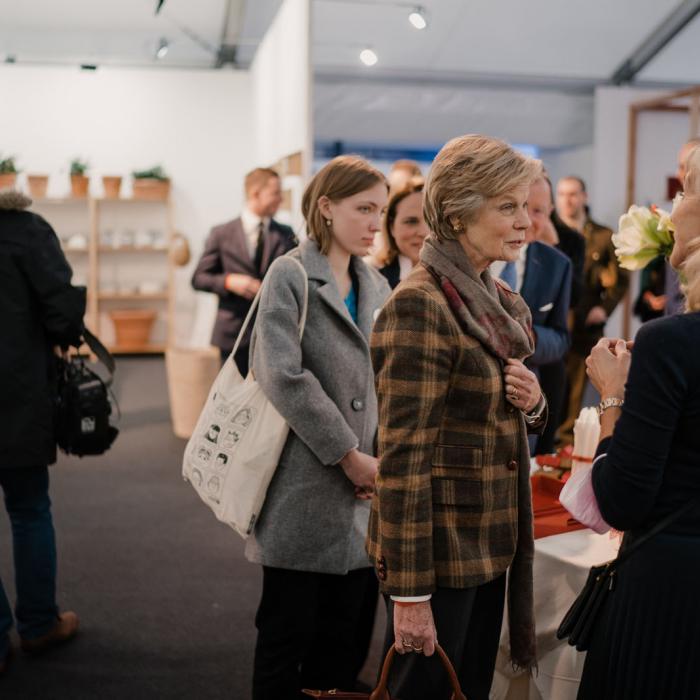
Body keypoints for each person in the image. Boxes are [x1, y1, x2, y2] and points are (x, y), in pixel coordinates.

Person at [368, 135, 547, 700]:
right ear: (456, 213)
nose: (526, 223)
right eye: (508, 207)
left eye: (526, 206)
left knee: (465, 690)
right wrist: (411, 595)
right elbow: (401, 461)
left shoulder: (491, 298)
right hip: (438, 555)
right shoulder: (422, 303)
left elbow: (509, 421)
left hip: (491, 542)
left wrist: (535, 402)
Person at [245, 156, 391, 699]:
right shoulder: (290, 273)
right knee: (285, 639)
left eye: (381, 209)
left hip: (363, 494)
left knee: (343, 645)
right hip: (304, 485)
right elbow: (281, 375)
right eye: (364, 209)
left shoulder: (376, 283)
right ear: (327, 208)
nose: (375, 222)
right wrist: (348, 452)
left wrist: (374, 460)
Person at [564, 148, 700, 700]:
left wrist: (614, 395)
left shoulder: (671, 343)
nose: (671, 210)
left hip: (671, 597)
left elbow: (622, 500)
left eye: (685, 192)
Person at [0, 188, 85, 674]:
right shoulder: (25, 230)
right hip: (16, 396)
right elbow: (62, 315)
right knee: (29, 508)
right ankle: (37, 626)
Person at [492, 176, 571, 454]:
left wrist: (528, 337)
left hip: (526, 401)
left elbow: (561, 338)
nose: (529, 221)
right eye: (524, 207)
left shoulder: (557, 265)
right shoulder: (480, 257)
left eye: (540, 211)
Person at [191, 167, 297, 374]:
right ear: (255, 194)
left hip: (274, 334)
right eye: (275, 193)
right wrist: (229, 281)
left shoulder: (286, 234)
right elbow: (198, 278)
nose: (280, 200)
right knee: (231, 400)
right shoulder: (221, 233)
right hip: (233, 335)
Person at [556, 176, 628, 444]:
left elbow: (621, 279)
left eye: (573, 194)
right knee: (552, 389)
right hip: (556, 320)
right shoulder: (551, 232)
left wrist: (604, 308)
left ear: (584, 197)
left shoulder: (602, 235)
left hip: (586, 324)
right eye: (562, 194)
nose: (567, 200)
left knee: (575, 393)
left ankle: (566, 447)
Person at [372, 177, 429, 289]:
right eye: (411, 221)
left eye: (431, 222)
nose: (424, 232)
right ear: (392, 227)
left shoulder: (461, 278)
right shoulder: (372, 279)